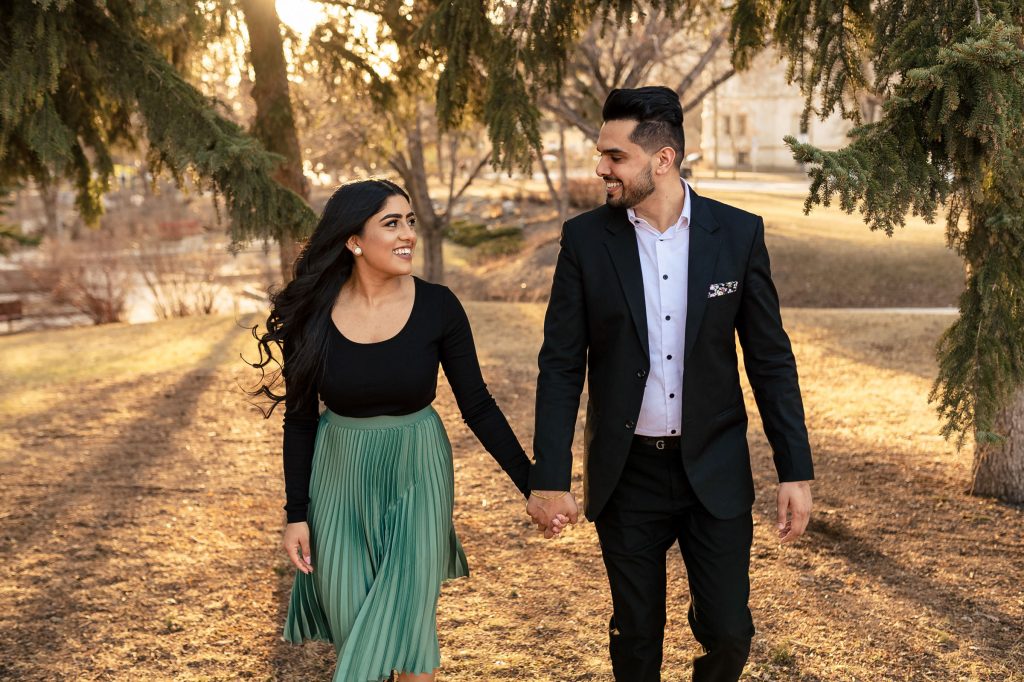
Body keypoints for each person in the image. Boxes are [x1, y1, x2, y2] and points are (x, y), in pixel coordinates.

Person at [526, 87, 815, 681]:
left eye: (615, 156)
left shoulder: (737, 235)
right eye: (601, 154)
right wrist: (550, 479)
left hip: (715, 467)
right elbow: (559, 366)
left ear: (662, 160)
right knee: (636, 639)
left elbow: (770, 360)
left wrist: (795, 470)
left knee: (731, 633)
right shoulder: (583, 242)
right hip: (626, 473)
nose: (601, 167)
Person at [249, 179, 564, 682]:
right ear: (354, 239)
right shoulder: (311, 316)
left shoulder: (439, 306)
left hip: (418, 469)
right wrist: (296, 515)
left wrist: (533, 485)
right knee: (355, 628)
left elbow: (477, 406)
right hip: (338, 476)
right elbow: (301, 419)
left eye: (410, 222)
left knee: (410, 633)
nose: (408, 235)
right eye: (391, 223)